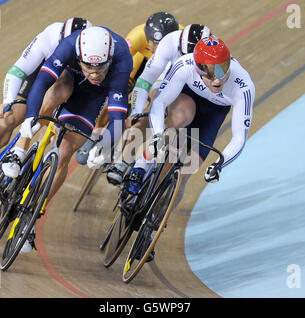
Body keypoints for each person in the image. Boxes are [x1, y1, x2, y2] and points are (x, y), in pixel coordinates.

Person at [1, 26, 132, 252]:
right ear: (79, 56)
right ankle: (20, 149)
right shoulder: (69, 46)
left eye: (100, 67)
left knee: (64, 152)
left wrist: (105, 147)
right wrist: (31, 118)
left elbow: (118, 114)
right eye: (88, 66)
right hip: (68, 78)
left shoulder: (122, 60)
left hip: (93, 97)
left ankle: (33, 216)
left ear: (109, 59)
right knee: (54, 94)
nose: (93, 73)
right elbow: (41, 82)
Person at [125, 35, 255, 260]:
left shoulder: (243, 85)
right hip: (189, 99)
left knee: (185, 171)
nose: (217, 79)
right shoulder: (184, 66)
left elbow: (239, 138)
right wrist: (156, 136)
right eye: (210, 73)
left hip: (211, 118)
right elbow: (159, 104)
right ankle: (139, 168)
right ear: (197, 68)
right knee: (172, 125)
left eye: (222, 70)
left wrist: (218, 164)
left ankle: (153, 226)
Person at [0, 18, 91, 192]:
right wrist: (8, 102)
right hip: (45, 72)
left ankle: (30, 164)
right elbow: (17, 71)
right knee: (6, 121)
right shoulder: (49, 37)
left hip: (75, 81)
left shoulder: (95, 49)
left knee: (57, 132)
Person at [105, 23, 211, 185]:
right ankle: (123, 161)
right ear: (179, 46)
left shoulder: (213, 55)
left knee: (179, 120)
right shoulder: (169, 43)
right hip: (168, 77)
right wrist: (136, 112)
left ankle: (149, 172)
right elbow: (144, 81)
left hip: (193, 89)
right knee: (150, 107)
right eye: (183, 54)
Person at [75, 12, 182, 165]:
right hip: (141, 61)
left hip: (167, 67)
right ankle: (95, 134)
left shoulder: (180, 42)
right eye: (155, 44)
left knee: (151, 104)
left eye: (163, 44)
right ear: (148, 39)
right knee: (118, 92)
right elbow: (120, 60)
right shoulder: (137, 36)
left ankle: (126, 155)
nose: (158, 48)